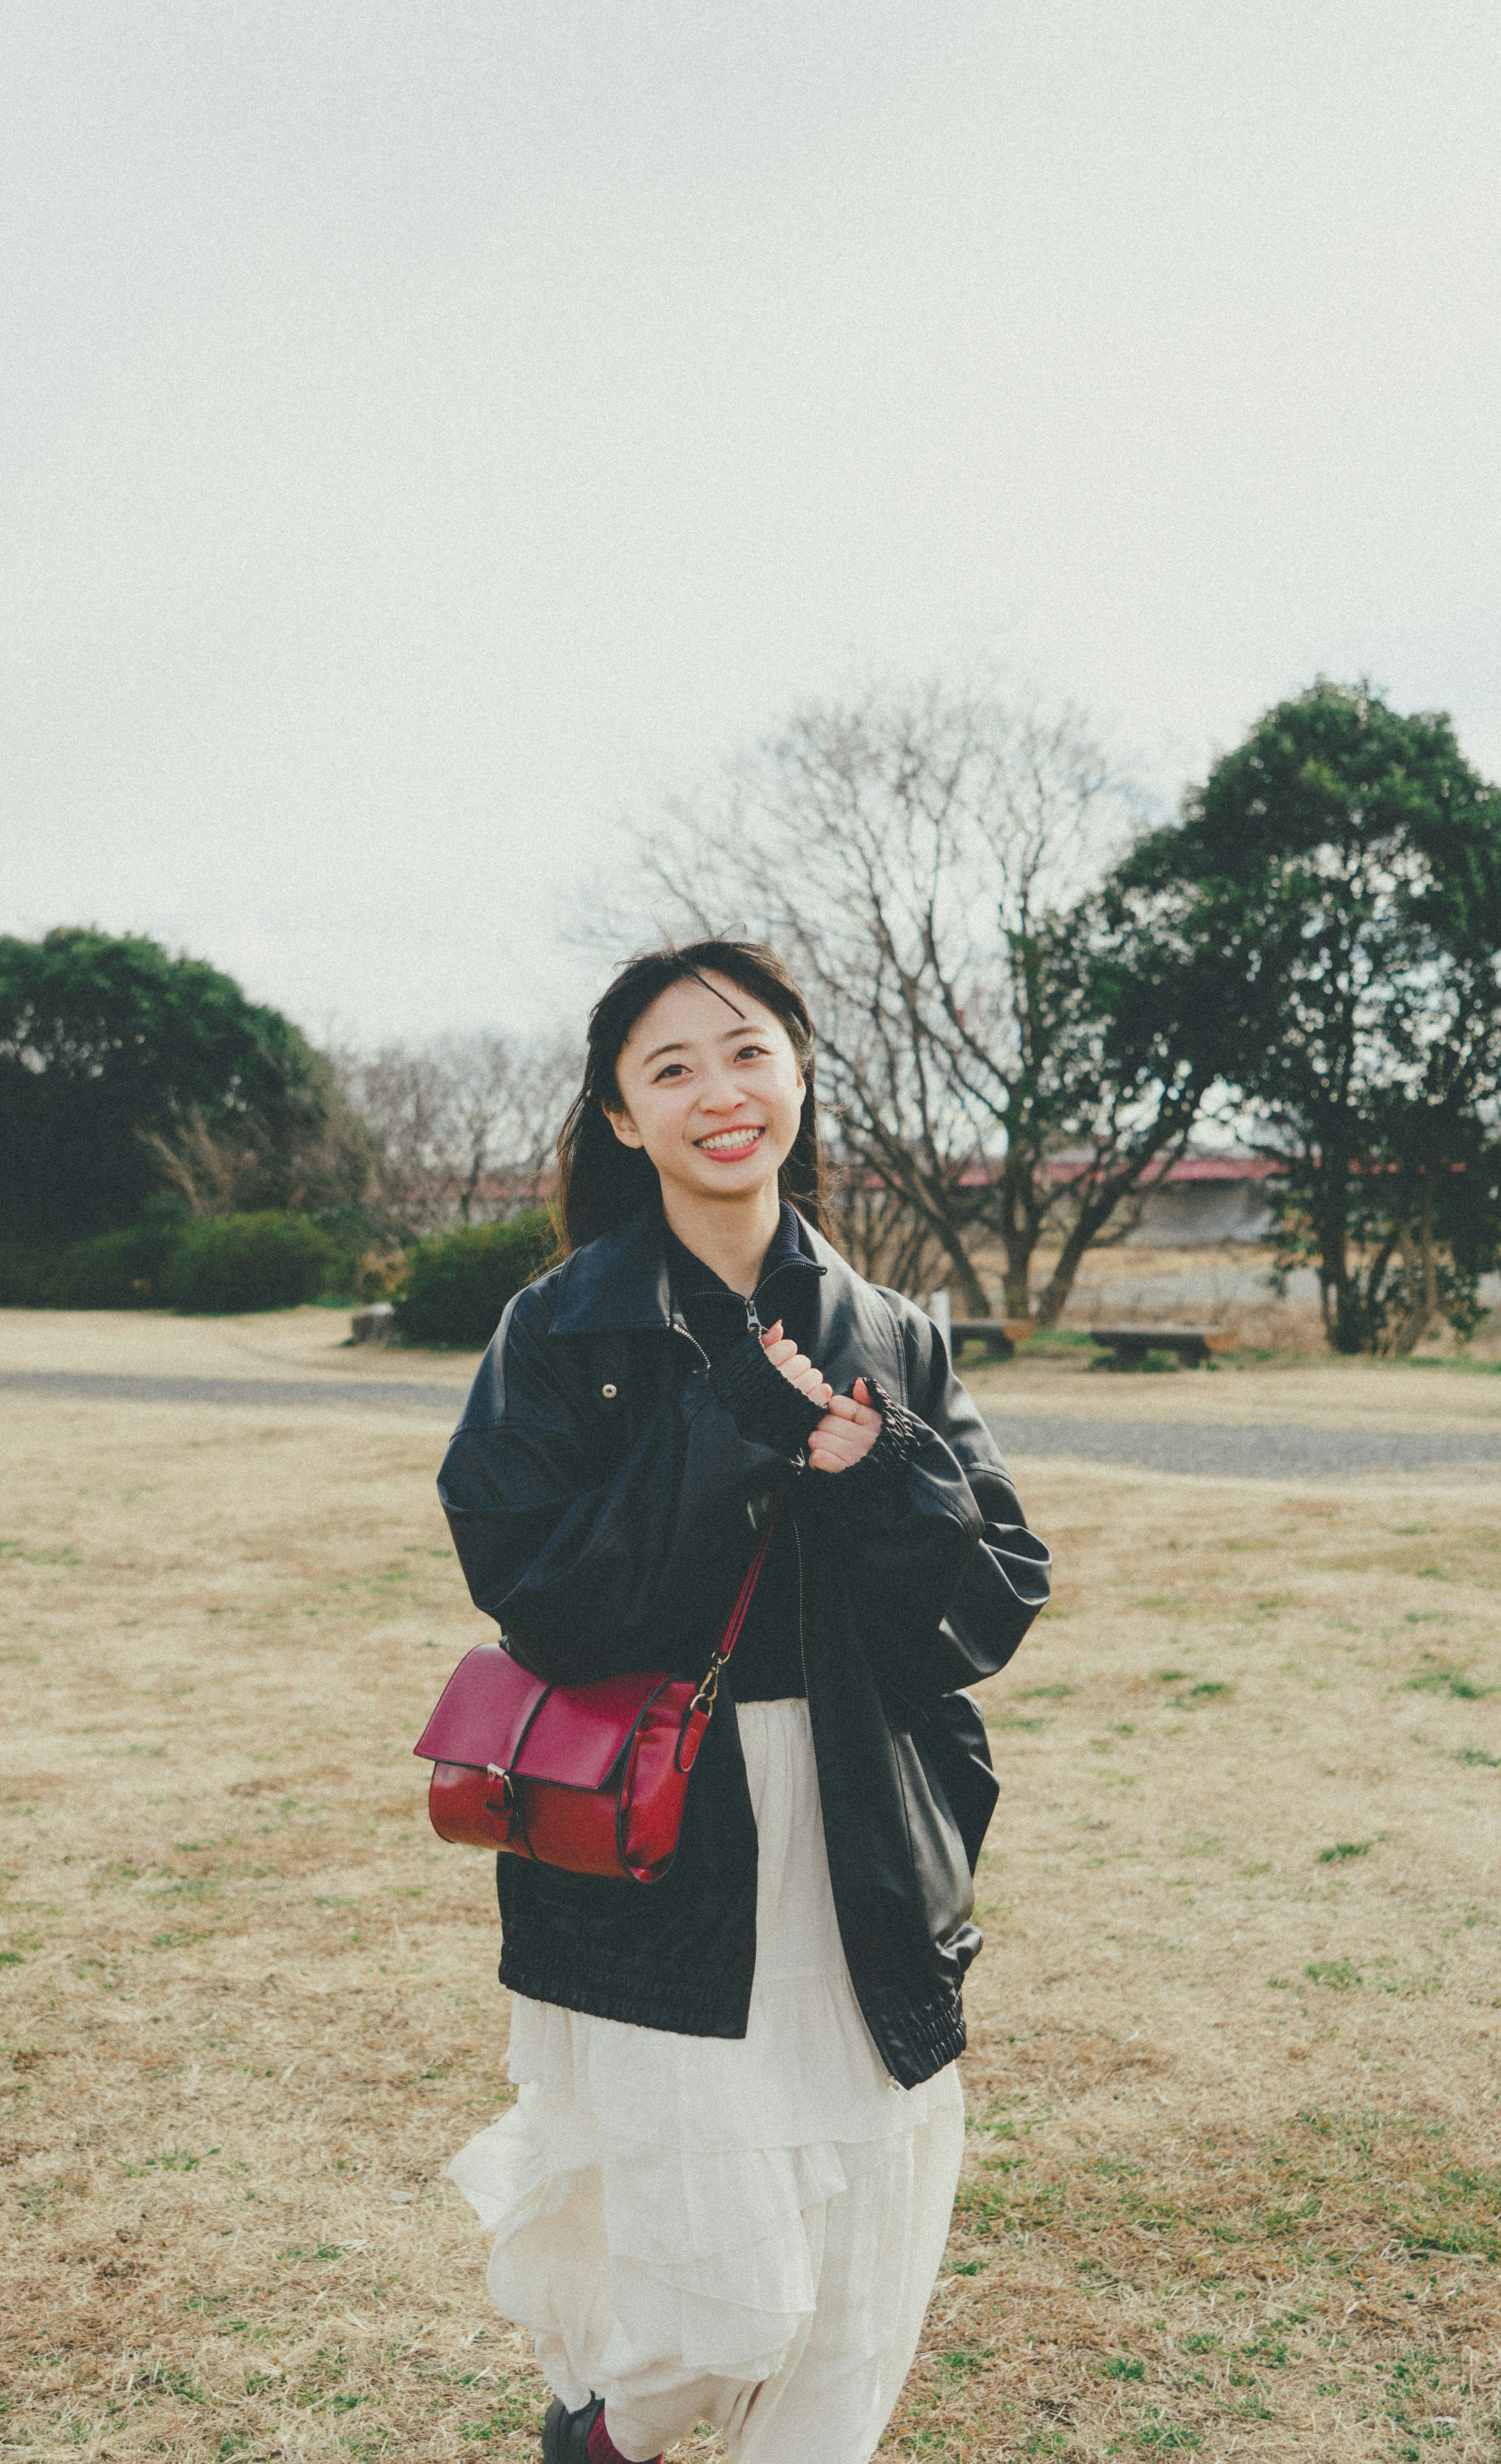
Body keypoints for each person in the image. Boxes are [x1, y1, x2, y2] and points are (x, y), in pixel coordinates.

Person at [436, 940, 1051, 2464]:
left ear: (801, 1073)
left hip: (861, 1837)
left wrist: (880, 1463)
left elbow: (989, 1606)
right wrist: (732, 1432)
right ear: (621, 1119)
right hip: (661, 1847)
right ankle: (602, 2438)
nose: (722, 1092)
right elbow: (545, 1601)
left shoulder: (893, 1331)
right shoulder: (558, 1331)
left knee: (849, 2318)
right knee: (727, 2307)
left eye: (750, 1050)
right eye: (672, 1068)